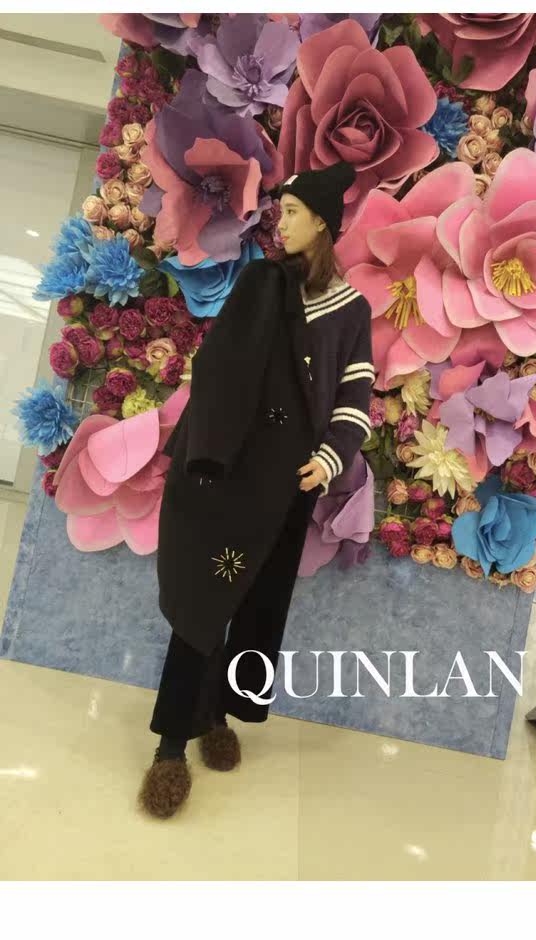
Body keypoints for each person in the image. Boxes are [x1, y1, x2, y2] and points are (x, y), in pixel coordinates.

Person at [138, 160, 375, 819]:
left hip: (289, 486)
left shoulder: (351, 309)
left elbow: (356, 395)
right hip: (231, 474)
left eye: (293, 213)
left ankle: (219, 713)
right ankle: (169, 745)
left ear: (322, 223)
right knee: (204, 600)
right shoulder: (262, 282)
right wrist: (206, 455)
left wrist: (328, 459)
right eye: (282, 211)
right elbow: (219, 370)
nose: (281, 222)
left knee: (256, 605)